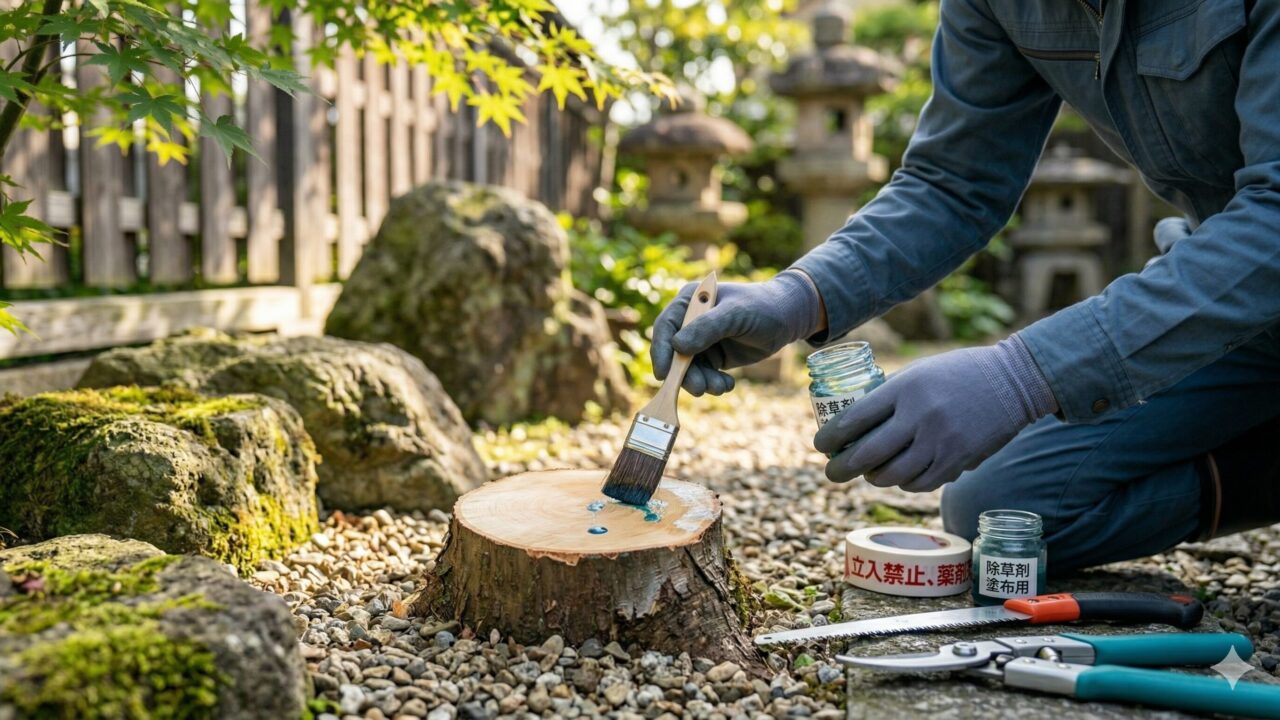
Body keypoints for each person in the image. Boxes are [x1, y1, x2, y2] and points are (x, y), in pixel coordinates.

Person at [649, 0, 1280, 574]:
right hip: (1236, 318)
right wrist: (795, 297)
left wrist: (1023, 374)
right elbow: (952, 181)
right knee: (1007, 512)